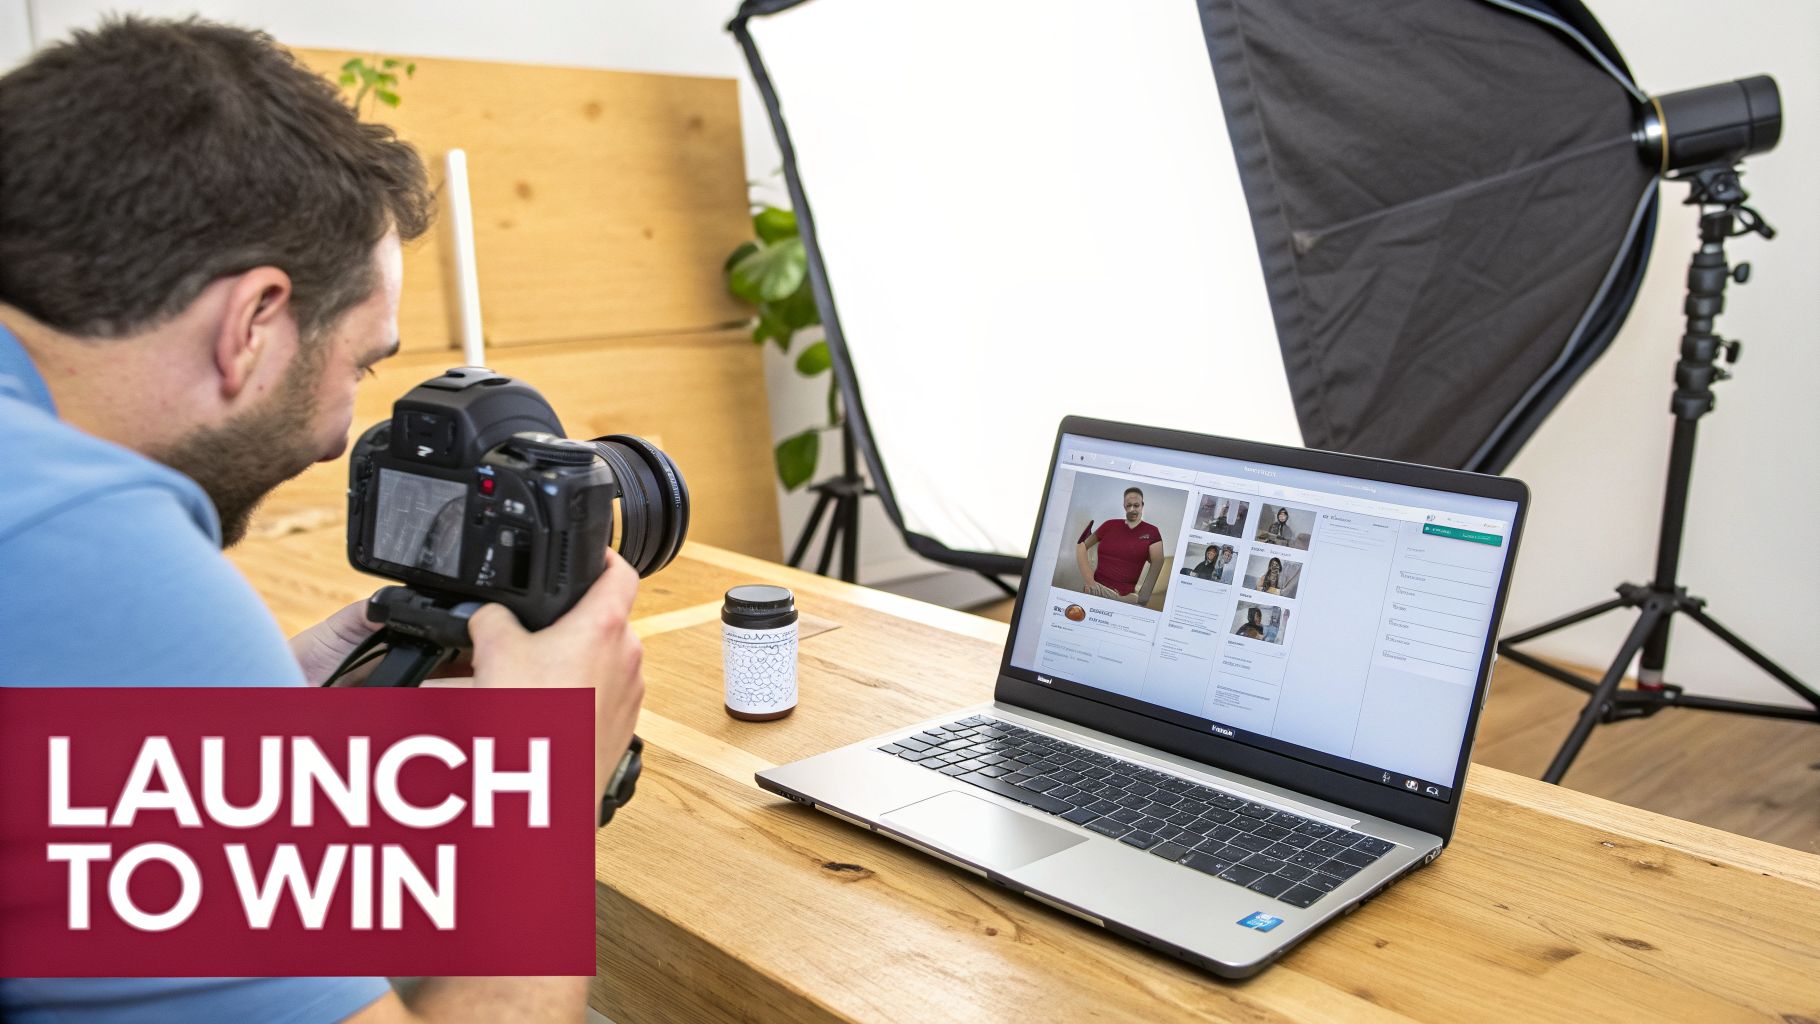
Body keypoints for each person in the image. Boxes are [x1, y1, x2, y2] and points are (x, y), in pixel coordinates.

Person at [0, 17, 643, 1022]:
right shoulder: (84, 541)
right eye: (362, 363)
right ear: (253, 321)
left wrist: (245, 719)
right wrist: (545, 795)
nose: (343, 433)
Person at [1075, 486, 1165, 605]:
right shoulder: (1109, 525)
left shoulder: (1152, 531)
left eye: (1136, 505)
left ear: (1142, 505)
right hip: (1097, 589)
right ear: (1124, 506)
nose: (1132, 509)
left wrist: (1143, 597)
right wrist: (1090, 581)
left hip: (1124, 597)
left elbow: (1158, 561)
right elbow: (1082, 546)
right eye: (1129, 505)